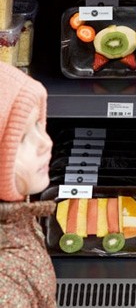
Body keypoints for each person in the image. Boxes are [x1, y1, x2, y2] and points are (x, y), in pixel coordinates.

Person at [0, 62, 57, 307]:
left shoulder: (15, 212)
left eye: (38, 125)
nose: (46, 142)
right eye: (22, 138)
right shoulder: (6, 288)